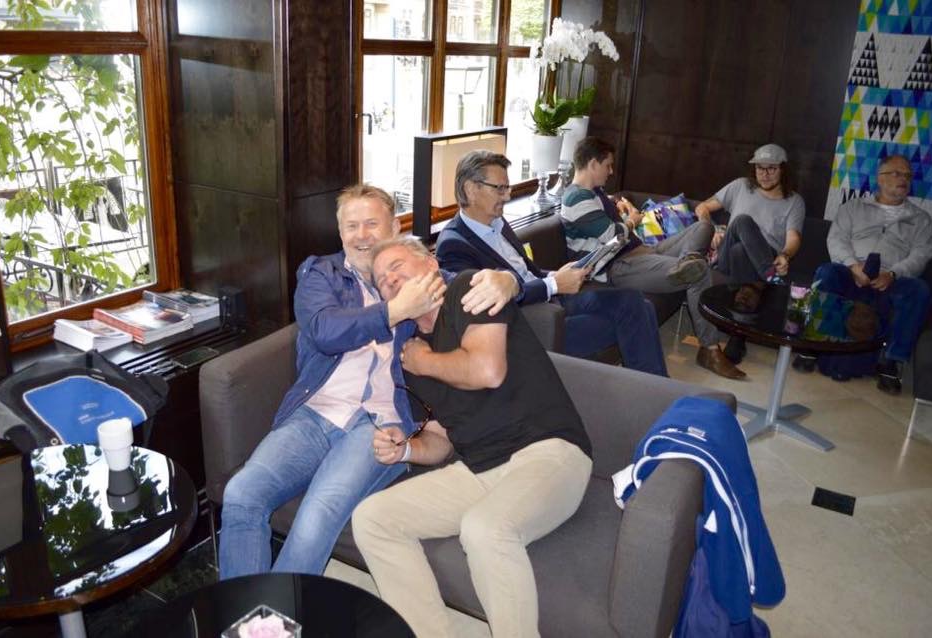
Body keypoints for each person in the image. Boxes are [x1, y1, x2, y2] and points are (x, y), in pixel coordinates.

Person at [217, 184, 518, 579]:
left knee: (317, 513)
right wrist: (395, 311)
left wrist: (508, 281)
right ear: (340, 232)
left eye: (372, 224)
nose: (361, 235)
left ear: (394, 227)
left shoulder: (413, 275)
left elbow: (475, 288)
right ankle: (246, 611)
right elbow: (324, 331)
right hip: (316, 413)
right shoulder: (321, 273)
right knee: (242, 494)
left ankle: (276, 613)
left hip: (380, 424)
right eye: (351, 226)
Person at [352, 237, 593, 638]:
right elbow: (440, 439)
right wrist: (404, 448)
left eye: (397, 266)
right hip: (479, 468)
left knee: (484, 529)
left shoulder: (468, 291)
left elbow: (487, 371)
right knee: (372, 518)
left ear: (430, 264)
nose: (389, 279)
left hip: (549, 451)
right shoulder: (410, 353)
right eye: (381, 280)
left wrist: (425, 362)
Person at [436, 150, 668, 376]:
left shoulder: (497, 222)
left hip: (551, 296)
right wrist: (554, 284)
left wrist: (557, 276)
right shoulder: (454, 245)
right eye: (500, 189)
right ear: (471, 189)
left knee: (634, 302)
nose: (507, 196)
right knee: (634, 315)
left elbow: (526, 272)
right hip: (532, 323)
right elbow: (483, 306)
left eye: (508, 188)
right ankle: (657, 392)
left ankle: (655, 388)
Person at [561, 136, 745, 379]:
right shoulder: (576, 198)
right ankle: (709, 350)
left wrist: (619, 206)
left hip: (642, 250)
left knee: (704, 227)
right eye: (608, 165)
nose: (611, 171)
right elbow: (612, 235)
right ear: (593, 164)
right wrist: (632, 220)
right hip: (620, 265)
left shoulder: (594, 193)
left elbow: (606, 220)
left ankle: (686, 262)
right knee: (699, 271)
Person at [801, 155, 932, 393]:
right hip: (852, 272)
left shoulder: (921, 220)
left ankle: (890, 362)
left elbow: (921, 255)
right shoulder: (853, 208)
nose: (903, 179)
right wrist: (853, 266)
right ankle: (811, 346)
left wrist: (893, 273)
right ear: (880, 178)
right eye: (897, 173)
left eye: (907, 175)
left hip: (891, 279)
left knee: (919, 290)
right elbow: (837, 240)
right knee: (826, 272)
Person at [695, 143, 806, 363]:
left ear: (783, 170)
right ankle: (769, 277)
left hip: (759, 256)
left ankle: (738, 338)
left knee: (741, 251)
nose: (764, 174)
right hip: (726, 257)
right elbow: (702, 207)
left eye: (771, 168)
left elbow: (794, 238)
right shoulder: (740, 186)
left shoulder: (794, 201)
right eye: (759, 168)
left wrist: (785, 255)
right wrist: (712, 229)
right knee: (742, 222)